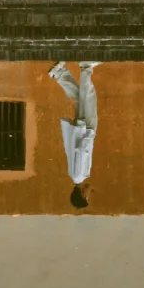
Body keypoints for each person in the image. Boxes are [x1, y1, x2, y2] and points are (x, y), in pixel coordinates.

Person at [49, 61, 99, 207]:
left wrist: (90, 135)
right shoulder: (76, 176)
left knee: (88, 97)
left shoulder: (79, 175)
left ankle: (86, 67)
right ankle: (58, 73)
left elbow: (82, 151)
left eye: (88, 198)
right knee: (81, 99)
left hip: (86, 130)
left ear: (83, 195)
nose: (90, 195)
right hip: (83, 131)